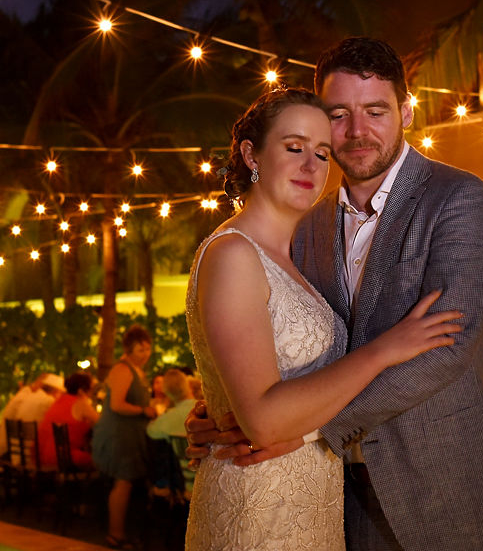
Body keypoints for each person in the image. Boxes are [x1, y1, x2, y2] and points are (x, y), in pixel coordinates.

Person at [188, 38, 483, 551]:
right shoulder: (306, 224)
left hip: (451, 498)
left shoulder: (460, 199)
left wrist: (298, 429)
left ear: (405, 111)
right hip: (339, 505)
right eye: (339, 114)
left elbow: (445, 352)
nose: (357, 132)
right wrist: (223, 411)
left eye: (376, 111)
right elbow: (284, 342)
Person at [185, 85, 465, 551]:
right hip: (259, 505)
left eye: (321, 153)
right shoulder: (234, 253)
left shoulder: (292, 254)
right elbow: (264, 422)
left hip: (313, 502)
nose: (312, 166)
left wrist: (215, 409)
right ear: (251, 155)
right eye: (294, 148)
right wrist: (383, 351)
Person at [93, 324, 158, 550]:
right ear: (129, 350)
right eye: (141, 350)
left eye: (148, 349)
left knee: (128, 483)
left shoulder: (136, 370)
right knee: (123, 482)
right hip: (119, 434)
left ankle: (123, 531)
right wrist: (143, 411)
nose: (146, 354)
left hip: (131, 433)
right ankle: (115, 535)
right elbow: (116, 404)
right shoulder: (122, 369)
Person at [146, 368, 199, 495]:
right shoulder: (206, 409)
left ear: (167, 393)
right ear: (188, 386)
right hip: (214, 480)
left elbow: (150, 431)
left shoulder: (166, 420)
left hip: (188, 488)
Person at [0, 372, 63, 461]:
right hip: (18, 453)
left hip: (13, 450)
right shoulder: (47, 400)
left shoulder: (28, 396)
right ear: (55, 391)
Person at [38, 371, 97, 469]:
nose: (91, 394)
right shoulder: (81, 403)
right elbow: (103, 424)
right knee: (106, 460)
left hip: (45, 455)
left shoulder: (59, 401)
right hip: (65, 457)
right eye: (91, 390)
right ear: (81, 391)